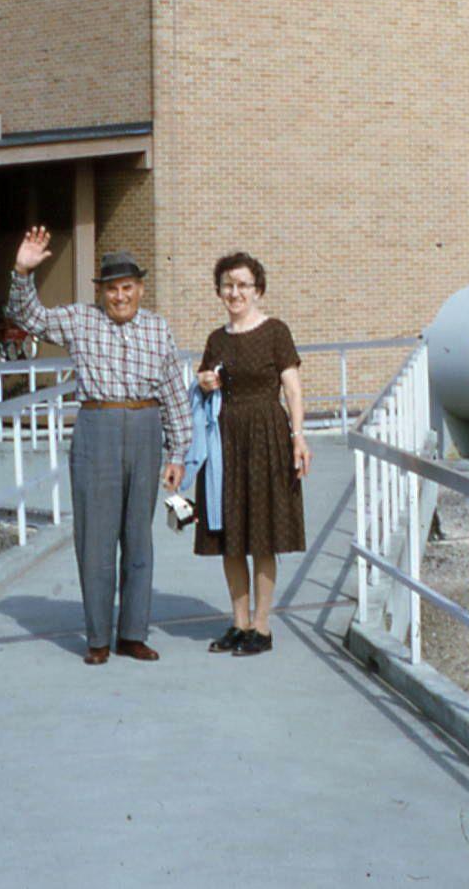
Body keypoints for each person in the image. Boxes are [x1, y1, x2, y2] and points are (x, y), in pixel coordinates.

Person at [6, 228, 189, 665]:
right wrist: (22, 271)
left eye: (127, 288)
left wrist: (178, 453)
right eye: (112, 289)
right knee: (96, 538)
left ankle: (133, 633)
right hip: (97, 427)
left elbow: (173, 394)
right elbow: (28, 317)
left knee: (139, 539)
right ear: (102, 291)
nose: (120, 297)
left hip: (146, 428)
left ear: (140, 289)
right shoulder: (80, 320)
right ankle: (98, 639)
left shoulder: (158, 329)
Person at [193, 251, 311, 656]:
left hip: (266, 436)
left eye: (243, 285)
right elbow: (204, 382)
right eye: (228, 285)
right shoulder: (216, 339)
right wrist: (205, 381)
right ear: (219, 291)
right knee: (230, 536)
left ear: (257, 289)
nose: (235, 292)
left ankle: (262, 627)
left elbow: (292, 388)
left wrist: (299, 437)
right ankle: (239, 623)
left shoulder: (276, 331)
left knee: (262, 535)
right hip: (225, 441)